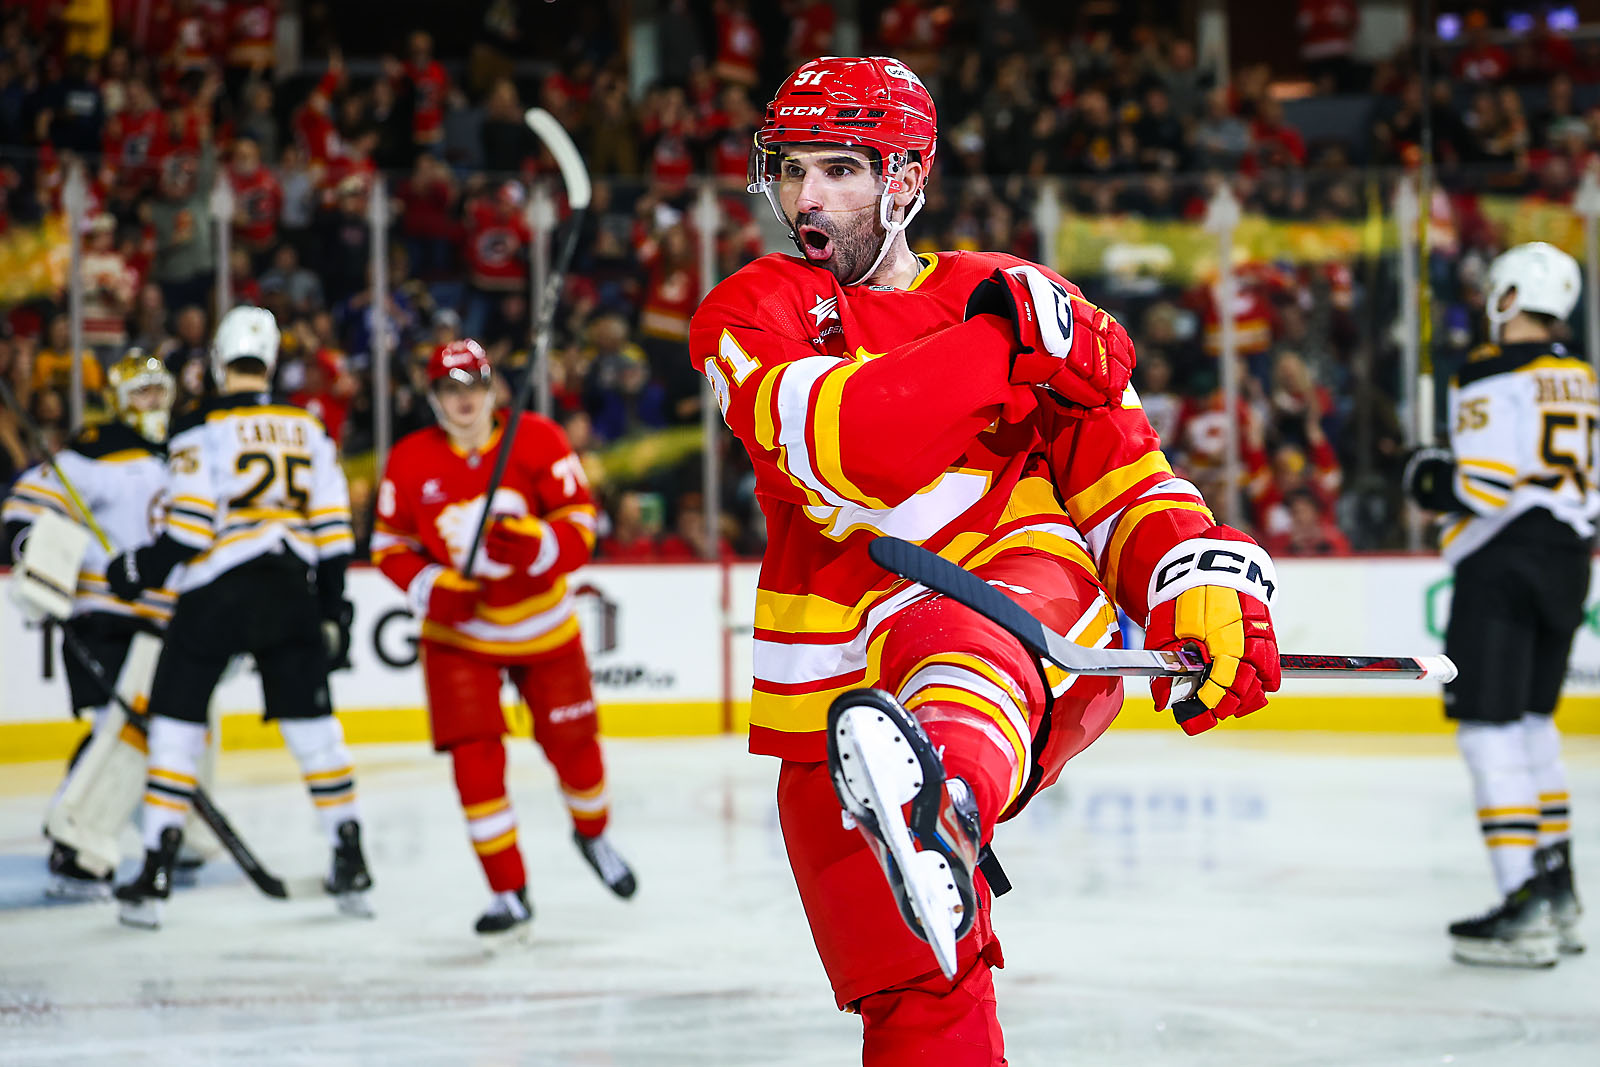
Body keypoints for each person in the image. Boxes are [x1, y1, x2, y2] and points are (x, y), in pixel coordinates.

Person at [689, 55, 1283, 1064]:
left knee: (958, 615)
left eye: (840, 168)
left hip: (1018, 622)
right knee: (924, 1004)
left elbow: (1122, 480)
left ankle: (943, 800)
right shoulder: (753, 309)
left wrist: (1196, 578)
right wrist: (1002, 346)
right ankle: (926, 812)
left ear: (908, 179)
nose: (805, 197)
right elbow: (853, 448)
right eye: (790, 169)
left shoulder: (1001, 290)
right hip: (827, 718)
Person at [103, 306, 371, 929]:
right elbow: (334, 535)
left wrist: (136, 570)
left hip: (216, 591)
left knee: (174, 723)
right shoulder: (308, 428)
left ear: (220, 362)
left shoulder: (201, 426)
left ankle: (156, 865)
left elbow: (190, 531)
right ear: (272, 362)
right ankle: (349, 852)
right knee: (315, 731)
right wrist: (332, 611)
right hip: (288, 589)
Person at [371, 339, 637, 939]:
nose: (462, 401)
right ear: (433, 397)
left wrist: (541, 544)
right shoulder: (411, 460)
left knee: (576, 749)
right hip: (458, 636)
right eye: (449, 390)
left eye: (472, 387)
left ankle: (592, 835)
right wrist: (429, 585)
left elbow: (581, 523)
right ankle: (507, 891)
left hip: (543, 625)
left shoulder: (538, 438)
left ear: (492, 389)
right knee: (475, 766)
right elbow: (388, 545)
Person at [1405, 241, 1593, 968]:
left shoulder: (1489, 370)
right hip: (1569, 559)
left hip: (1503, 563)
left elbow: (1483, 487)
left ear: (1509, 295)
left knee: (1489, 731)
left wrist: (1429, 478)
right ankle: (1558, 892)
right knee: (1536, 728)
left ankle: (1523, 904)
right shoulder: (1580, 376)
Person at [2, 352, 176, 899]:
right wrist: (36, 551)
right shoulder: (94, 455)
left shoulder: (180, 457)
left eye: (159, 391)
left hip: (161, 623)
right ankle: (75, 840)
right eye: (142, 393)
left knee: (154, 735)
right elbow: (24, 511)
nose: (154, 403)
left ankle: (162, 832)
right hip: (102, 617)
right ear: (122, 401)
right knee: (115, 729)